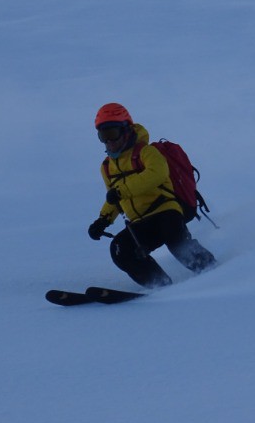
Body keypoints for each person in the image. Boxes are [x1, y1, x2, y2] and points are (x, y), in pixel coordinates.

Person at [87, 102, 216, 288]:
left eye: (112, 134)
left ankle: (211, 270)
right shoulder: (107, 166)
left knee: (176, 242)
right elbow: (113, 197)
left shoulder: (146, 152)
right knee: (120, 250)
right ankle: (160, 285)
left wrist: (122, 190)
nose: (109, 142)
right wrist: (103, 220)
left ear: (126, 130)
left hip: (165, 211)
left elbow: (157, 174)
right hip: (140, 222)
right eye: (103, 136)